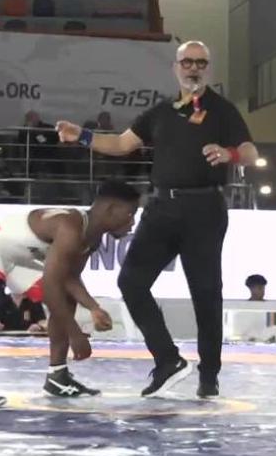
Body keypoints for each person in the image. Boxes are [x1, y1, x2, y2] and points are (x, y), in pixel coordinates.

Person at [56, 41, 258, 400]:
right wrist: (81, 136)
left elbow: (250, 153)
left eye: (200, 63)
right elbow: (122, 144)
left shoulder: (222, 110)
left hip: (204, 209)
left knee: (206, 294)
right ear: (176, 67)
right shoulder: (161, 112)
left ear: (208, 68)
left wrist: (228, 153)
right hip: (162, 207)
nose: (193, 68)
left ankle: (209, 376)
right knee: (131, 281)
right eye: (187, 62)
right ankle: (167, 359)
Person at [0, 180, 141, 408]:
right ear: (111, 209)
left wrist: (93, 307)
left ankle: (57, 376)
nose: (132, 222)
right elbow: (51, 288)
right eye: (130, 214)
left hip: (21, 260)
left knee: (66, 298)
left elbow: (68, 278)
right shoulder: (70, 227)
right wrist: (75, 334)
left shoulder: (91, 238)